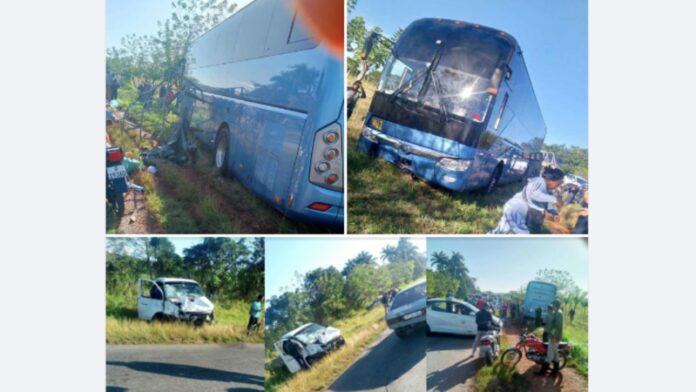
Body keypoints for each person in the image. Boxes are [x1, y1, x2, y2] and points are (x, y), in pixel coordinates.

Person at [490, 168, 565, 234]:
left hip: (522, 211)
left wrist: (554, 213)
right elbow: (533, 194)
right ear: (551, 180)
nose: (557, 186)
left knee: (503, 230)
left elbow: (546, 203)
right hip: (517, 209)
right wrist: (554, 199)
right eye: (558, 183)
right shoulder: (539, 181)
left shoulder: (546, 190)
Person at [536, 299, 564, 376]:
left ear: (555, 305)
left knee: (550, 355)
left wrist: (555, 337)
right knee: (555, 356)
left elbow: (558, 327)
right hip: (552, 336)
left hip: (554, 337)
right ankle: (554, 373)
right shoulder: (556, 313)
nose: (552, 306)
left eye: (553, 305)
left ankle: (542, 372)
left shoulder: (558, 314)